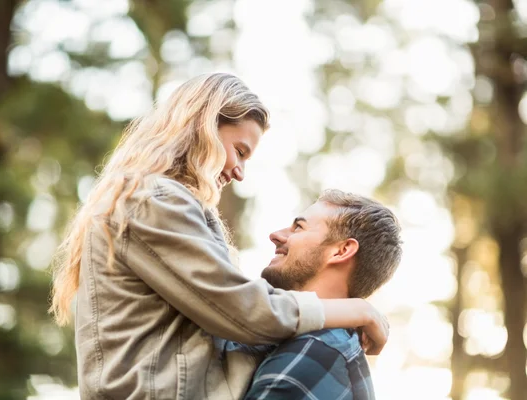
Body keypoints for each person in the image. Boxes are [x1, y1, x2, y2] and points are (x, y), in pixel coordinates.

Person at [49, 73, 390, 400]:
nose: (240, 172)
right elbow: (242, 311)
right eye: (239, 151)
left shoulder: (164, 204)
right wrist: (357, 311)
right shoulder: (152, 201)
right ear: (204, 128)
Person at [243, 190, 403, 400]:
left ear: (341, 251)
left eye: (298, 227)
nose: (276, 235)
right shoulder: (317, 344)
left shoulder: (315, 350)